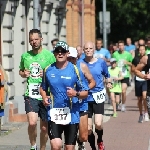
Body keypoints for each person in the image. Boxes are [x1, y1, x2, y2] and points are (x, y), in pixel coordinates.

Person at [40, 41, 89, 150]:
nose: (60, 53)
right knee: (56, 145)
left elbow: (85, 92)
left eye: (63, 51)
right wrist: (44, 97)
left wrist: (75, 93)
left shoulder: (75, 70)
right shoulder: (48, 70)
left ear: (67, 53)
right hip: (54, 112)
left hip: (71, 114)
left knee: (69, 148)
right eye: (58, 51)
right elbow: (42, 88)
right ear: (54, 53)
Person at [19, 29, 56, 150]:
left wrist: (46, 75)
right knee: (32, 122)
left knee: (44, 127)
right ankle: (33, 146)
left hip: (45, 95)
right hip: (31, 94)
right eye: (31, 40)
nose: (34, 42)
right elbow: (21, 71)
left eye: (36, 39)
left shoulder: (50, 56)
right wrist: (24, 73)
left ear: (41, 39)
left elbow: (55, 72)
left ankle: (42, 148)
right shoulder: (25, 56)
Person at [82, 41, 112, 150]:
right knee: (88, 129)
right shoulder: (80, 63)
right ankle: (93, 147)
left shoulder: (101, 62)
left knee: (98, 124)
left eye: (90, 48)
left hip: (98, 95)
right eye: (86, 49)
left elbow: (107, 75)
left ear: (94, 50)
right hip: (85, 98)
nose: (88, 50)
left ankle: (100, 139)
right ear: (84, 50)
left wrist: (109, 82)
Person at [68, 47, 96, 150]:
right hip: (68, 105)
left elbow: (92, 81)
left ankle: (80, 143)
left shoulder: (82, 66)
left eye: (73, 58)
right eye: (69, 58)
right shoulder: (61, 68)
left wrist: (84, 90)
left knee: (84, 136)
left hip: (81, 103)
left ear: (77, 58)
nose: (70, 61)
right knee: (70, 135)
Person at [112, 40, 133, 112]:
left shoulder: (128, 54)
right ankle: (118, 103)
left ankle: (123, 105)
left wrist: (127, 62)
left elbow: (132, 64)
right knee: (118, 92)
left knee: (123, 91)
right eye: (119, 45)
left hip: (125, 75)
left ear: (124, 46)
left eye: (122, 45)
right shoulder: (115, 54)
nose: (121, 47)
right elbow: (112, 63)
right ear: (118, 46)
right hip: (117, 75)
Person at [131, 45, 149, 123]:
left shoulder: (146, 59)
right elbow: (133, 69)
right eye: (140, 50)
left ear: (145, 50)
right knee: (139, 99)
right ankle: (141, 114)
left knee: (145, 96)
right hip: (138, 80)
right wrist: (140, 74)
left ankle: (146, 113)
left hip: (145, 80)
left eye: (143, 49)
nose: (142, 51)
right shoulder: (136, 59)